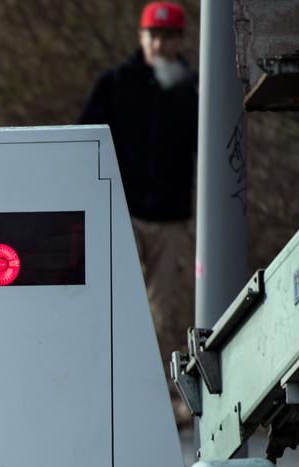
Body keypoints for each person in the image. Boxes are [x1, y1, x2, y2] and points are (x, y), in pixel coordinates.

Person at [81, 1, 198, 424]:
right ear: (141, 36)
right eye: (154, 34)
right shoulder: (116, 83)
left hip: (169, 217)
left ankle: (166, 398)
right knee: (116, 304)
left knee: (163, 312)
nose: (160, 42)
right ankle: (111, 394)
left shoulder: (190, 89)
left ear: (181, 39)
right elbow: (86, 139)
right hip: (121, 213)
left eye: (169, 35)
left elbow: (208, 150)